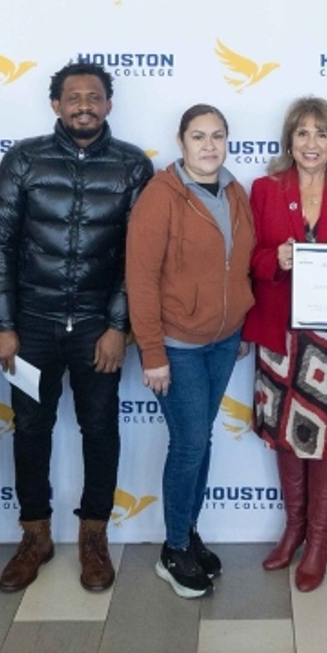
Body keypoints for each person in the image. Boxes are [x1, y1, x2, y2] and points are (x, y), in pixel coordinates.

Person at [0, 62, 153, 593]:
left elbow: (139, 255)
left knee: (100, 431)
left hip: (97, 330)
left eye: (95, 96)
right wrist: (3, 324)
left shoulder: (131, 166)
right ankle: (35, 535)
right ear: (55, 104)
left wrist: (117, 326)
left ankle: (93, 537)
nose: (84, 104)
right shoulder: (25, 160)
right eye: (73, 97)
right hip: (30, 327)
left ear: (108, 104)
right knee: (30, 431)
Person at [246, 97, 327, 592]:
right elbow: (248, 259)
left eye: (321, 134)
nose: (311, 143)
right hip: (280, 333)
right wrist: (274, 259)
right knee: (285, 432)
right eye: (302, 133)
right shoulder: (263, 189)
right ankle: (293, 530)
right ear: (289, 139)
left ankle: (319, 539)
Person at [125, 104, 255, 599]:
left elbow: (238, 267)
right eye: (198, 137)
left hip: (223, 342)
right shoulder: (161, 197)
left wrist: (239, 323)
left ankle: (189, 531)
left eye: (217, 136)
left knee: (201, 442)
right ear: (181, 142)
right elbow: (140, 279)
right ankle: (173, 548)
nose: (209, 146)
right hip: (177, 345)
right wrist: (152, 352)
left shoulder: (234, 191)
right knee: (189, 444)